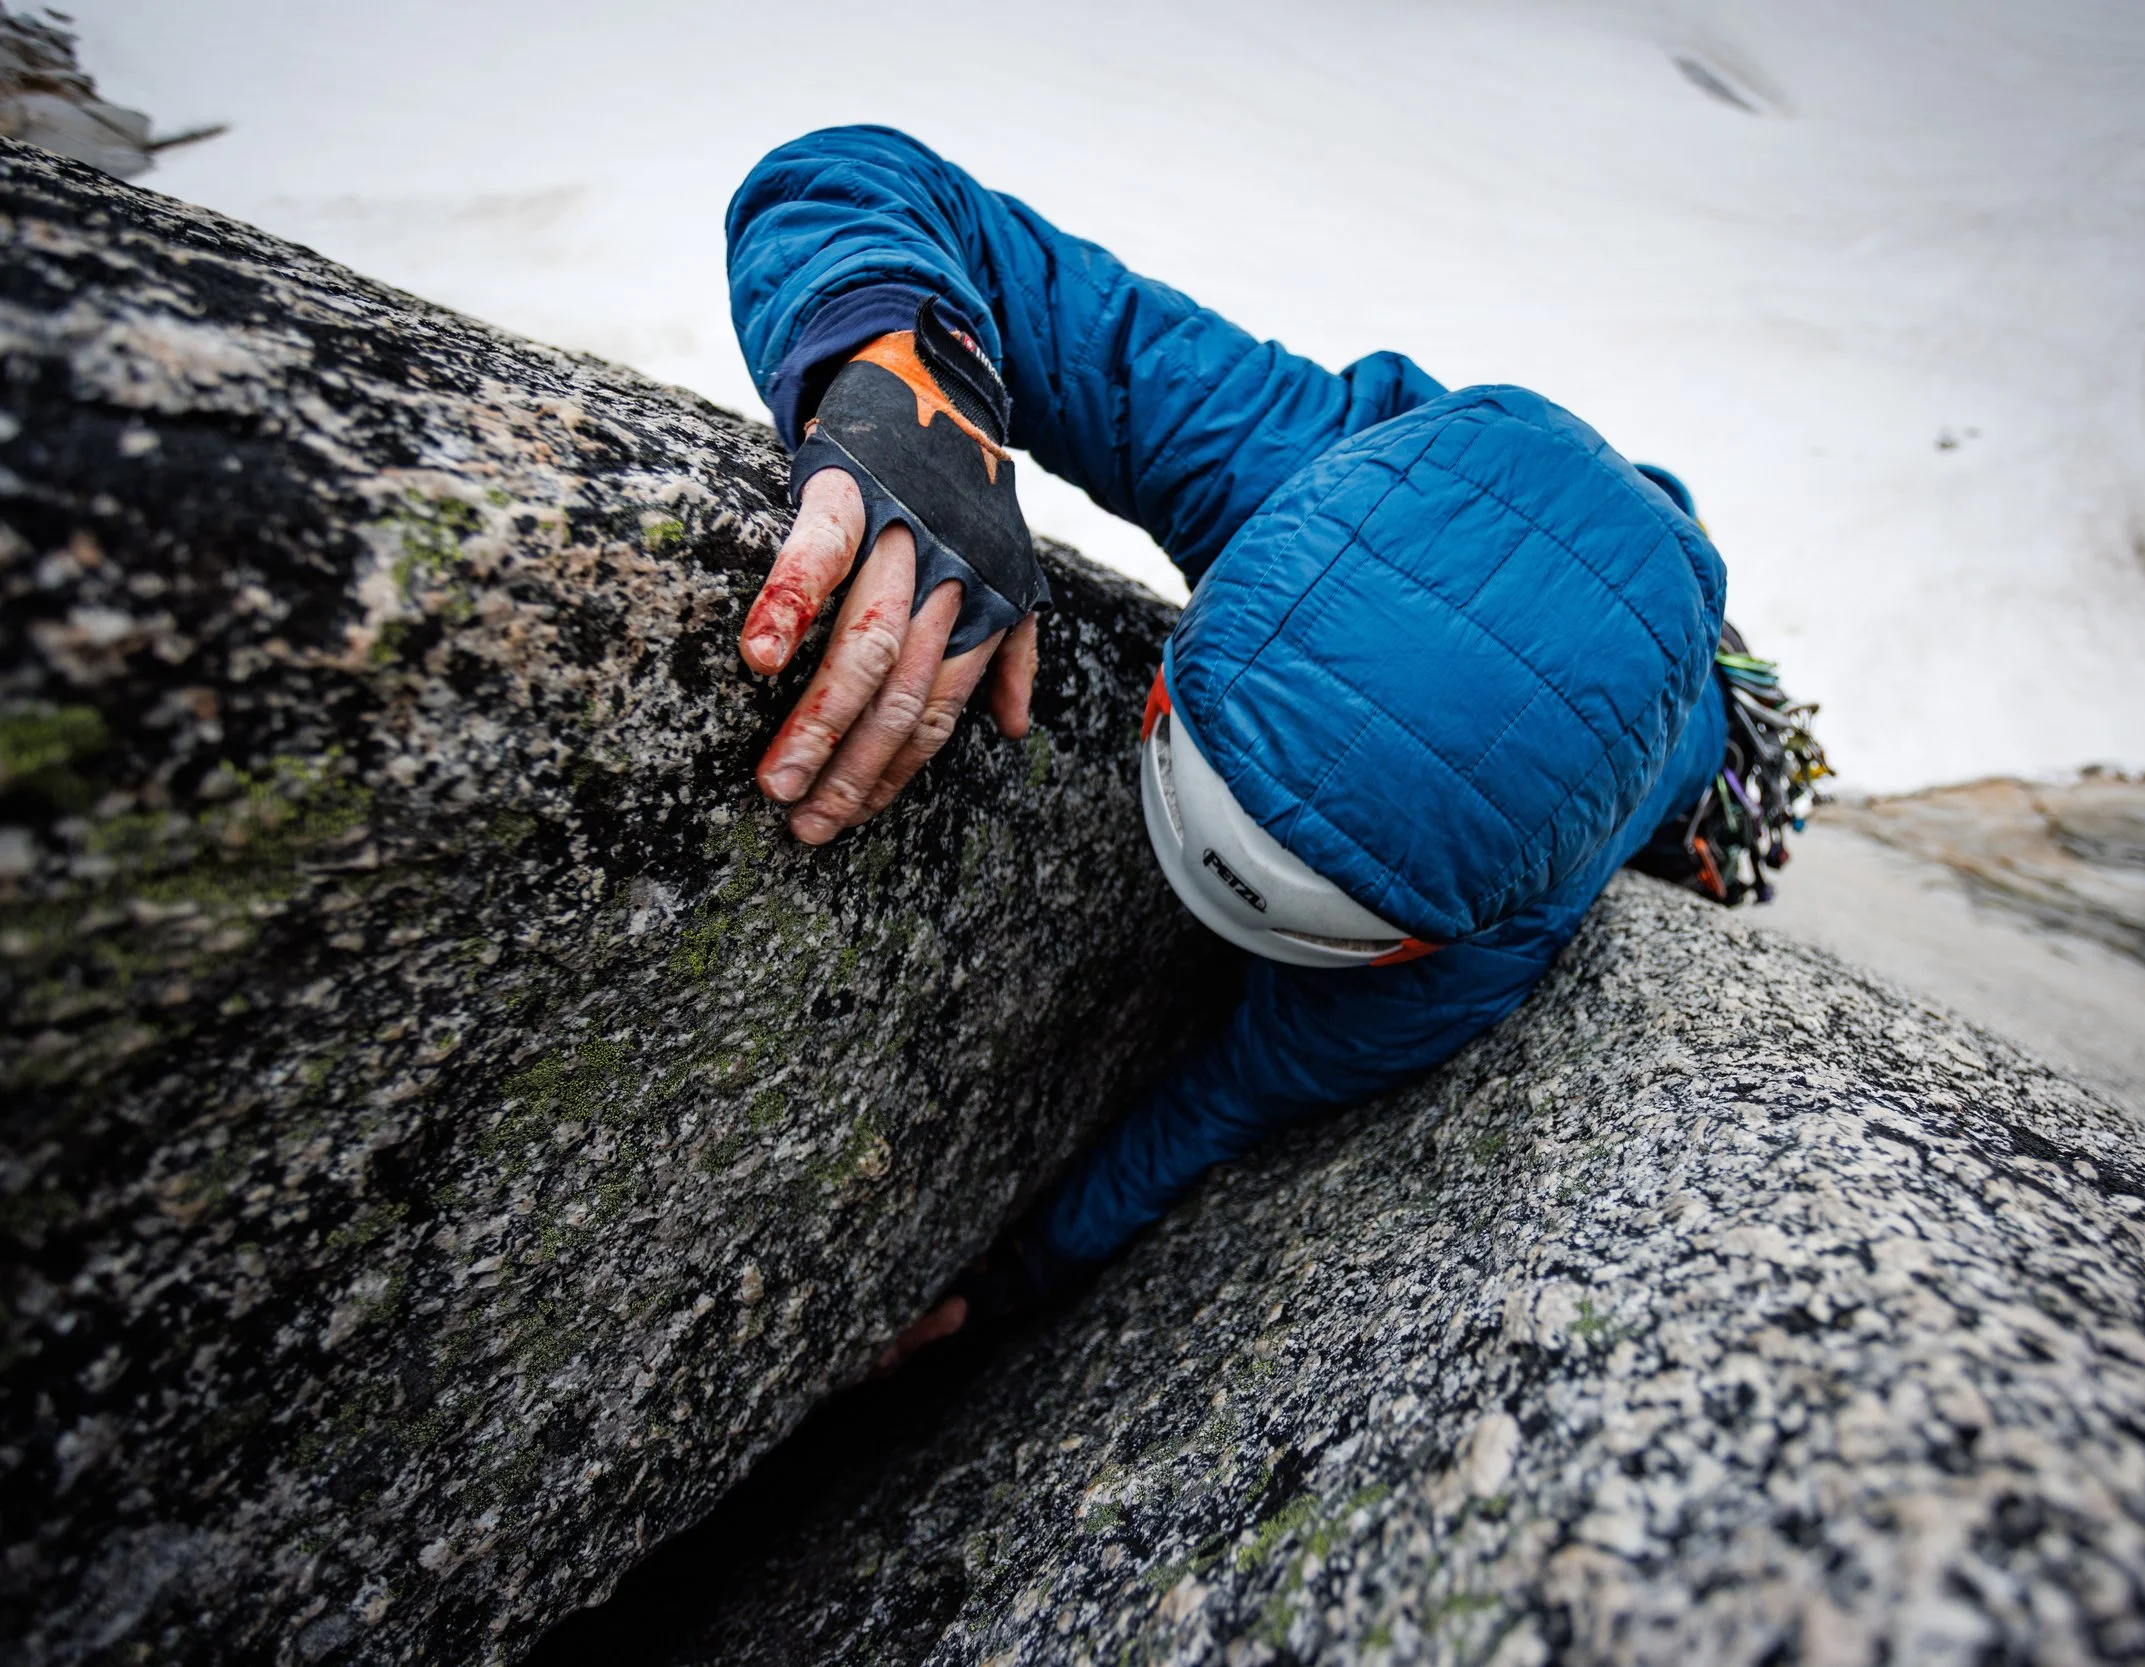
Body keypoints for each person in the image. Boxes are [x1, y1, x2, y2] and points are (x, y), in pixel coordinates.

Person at [721, 126, 1825, 1365]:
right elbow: (864, 177)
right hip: (1474, 532)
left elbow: (1227, 1093)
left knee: (1712, 796)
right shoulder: (1280, 466)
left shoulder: (1496, 926)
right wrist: (916, 401)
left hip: (1695, 729)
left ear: (1420, 940)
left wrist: (1005, 1279)